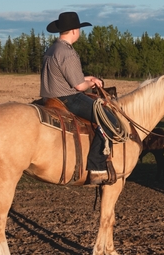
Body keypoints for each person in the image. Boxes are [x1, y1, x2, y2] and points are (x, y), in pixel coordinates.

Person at [40, 11, 115, 185]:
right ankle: (97, 167)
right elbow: (80, 87)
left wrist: (90, 79)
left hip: (49, 97)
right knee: (109, 120)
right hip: (68, 99)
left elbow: (66, 77)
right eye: (79, 29)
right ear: (74, 30)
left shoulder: (52, 49)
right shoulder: (68, 53)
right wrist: (89, 83)